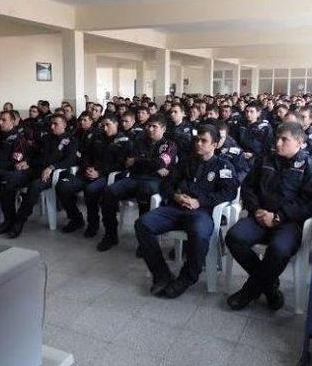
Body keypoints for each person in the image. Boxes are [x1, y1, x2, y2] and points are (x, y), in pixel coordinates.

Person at [226, 122, 312, 311]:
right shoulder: (265, 160)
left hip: (289, 224)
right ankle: (270, 286)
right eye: (277, 138)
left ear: (299, 142)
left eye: (284, 139)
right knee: (234, 237)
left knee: (278, 250)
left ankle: (248, 292)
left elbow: (308, 203)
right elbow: (248, 187)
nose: (278, 143)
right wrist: (255, 210)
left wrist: (279, 217)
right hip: (260, 216)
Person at [135, 125, 239, 298]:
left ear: (214, 144)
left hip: (202, 212)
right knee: (142, 224)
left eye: (203, 140)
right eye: (197, 139)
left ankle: (187, 277)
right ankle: (161, 274)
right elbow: (166, 184)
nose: (198, 143)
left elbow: (229, 192)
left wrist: (200, 202)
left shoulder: (223, 166)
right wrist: (176, 197)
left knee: (199, 233)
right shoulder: (185, 162)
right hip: (175, 208)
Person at [99, 114, 177, 252]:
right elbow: (129, 163)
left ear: (163, 129)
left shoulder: (169, 145)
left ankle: (144, 241)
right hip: (135, 178)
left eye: (154, 127)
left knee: (145, 191)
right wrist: (152, 165)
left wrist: (139, 161)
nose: (150, 129)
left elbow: (158, 162)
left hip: (155, 181)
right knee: (109, 191)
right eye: (148, 125)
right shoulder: (139, 141)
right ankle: (110, 235)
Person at [56, 114, 133, 237]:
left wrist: (100, 172)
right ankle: (76, 219)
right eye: (103, 125)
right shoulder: (96, 137)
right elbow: (85, 155)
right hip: (88, 172)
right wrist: (87, 167)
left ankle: (94, 224)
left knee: (91, 190)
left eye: (108, 125)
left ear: (116, 124)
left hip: (107, 176)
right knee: (62, 186)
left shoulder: (125, 141)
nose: (105, 128)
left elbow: (121, 164)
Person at [1, 114, 77, 238]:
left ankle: (19, 221)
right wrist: (26, 161)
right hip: (36, 169)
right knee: (10, 179)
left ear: (64, 125)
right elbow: (34, 153)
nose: (52, 127)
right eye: (51, 124)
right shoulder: (46, 138)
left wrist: (52, 168)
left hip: (55, 173)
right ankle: (9, 219)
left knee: (35, 186)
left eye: (55, 124)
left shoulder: (71, 140)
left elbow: (70, 160)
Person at [0, 110, 33, 233]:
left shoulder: (19, 139)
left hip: (15, 172)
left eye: (4, 120)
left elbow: (15, 162)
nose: (0, 122)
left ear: (13, 122)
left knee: (1, 179)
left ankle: (9, 220)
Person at [238, 101, 274, 165]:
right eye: (247, 111)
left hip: (258, 159)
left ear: (258, 113)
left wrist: (254, 154)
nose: (248, 114)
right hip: (240, 156)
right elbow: (235, 141)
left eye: (252, 112)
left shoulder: (265, 127)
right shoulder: (240, 124)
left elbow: (267, 146)